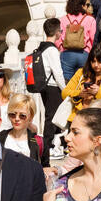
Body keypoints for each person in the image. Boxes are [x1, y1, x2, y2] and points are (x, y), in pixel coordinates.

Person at [31, 18, 66, 166]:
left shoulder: (41, 48)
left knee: (52, 119)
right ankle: (48, 153)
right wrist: (66, 90)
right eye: (61, 31)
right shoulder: (51, 50)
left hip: (45, 88)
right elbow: (57, 73)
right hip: (53, 88)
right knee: (53, 120)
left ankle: (51, 148)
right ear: (57, 32)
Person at [62, 45, 101, 122]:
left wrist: (98, 92)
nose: (96, 65)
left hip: (100, 122)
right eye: (93, 61)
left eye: (100, 61)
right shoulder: (81, 73)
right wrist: (79, 94)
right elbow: (64, 93)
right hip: (78, 118)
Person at [56, 0, 97, 81]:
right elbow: (93, 39)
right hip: (84, 54)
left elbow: (58, 38)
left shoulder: (63, 19)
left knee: (67, 82)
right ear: (82, 5)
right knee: (83, 81)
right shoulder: (90, 20)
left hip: (67, 54)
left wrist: (61, 47)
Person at [0, 93, 41, 162]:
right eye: (12, 115)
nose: (17, 119)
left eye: (22, 115)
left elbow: (44, 168)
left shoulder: (38, 142)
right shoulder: (0, 138)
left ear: (31, 117)